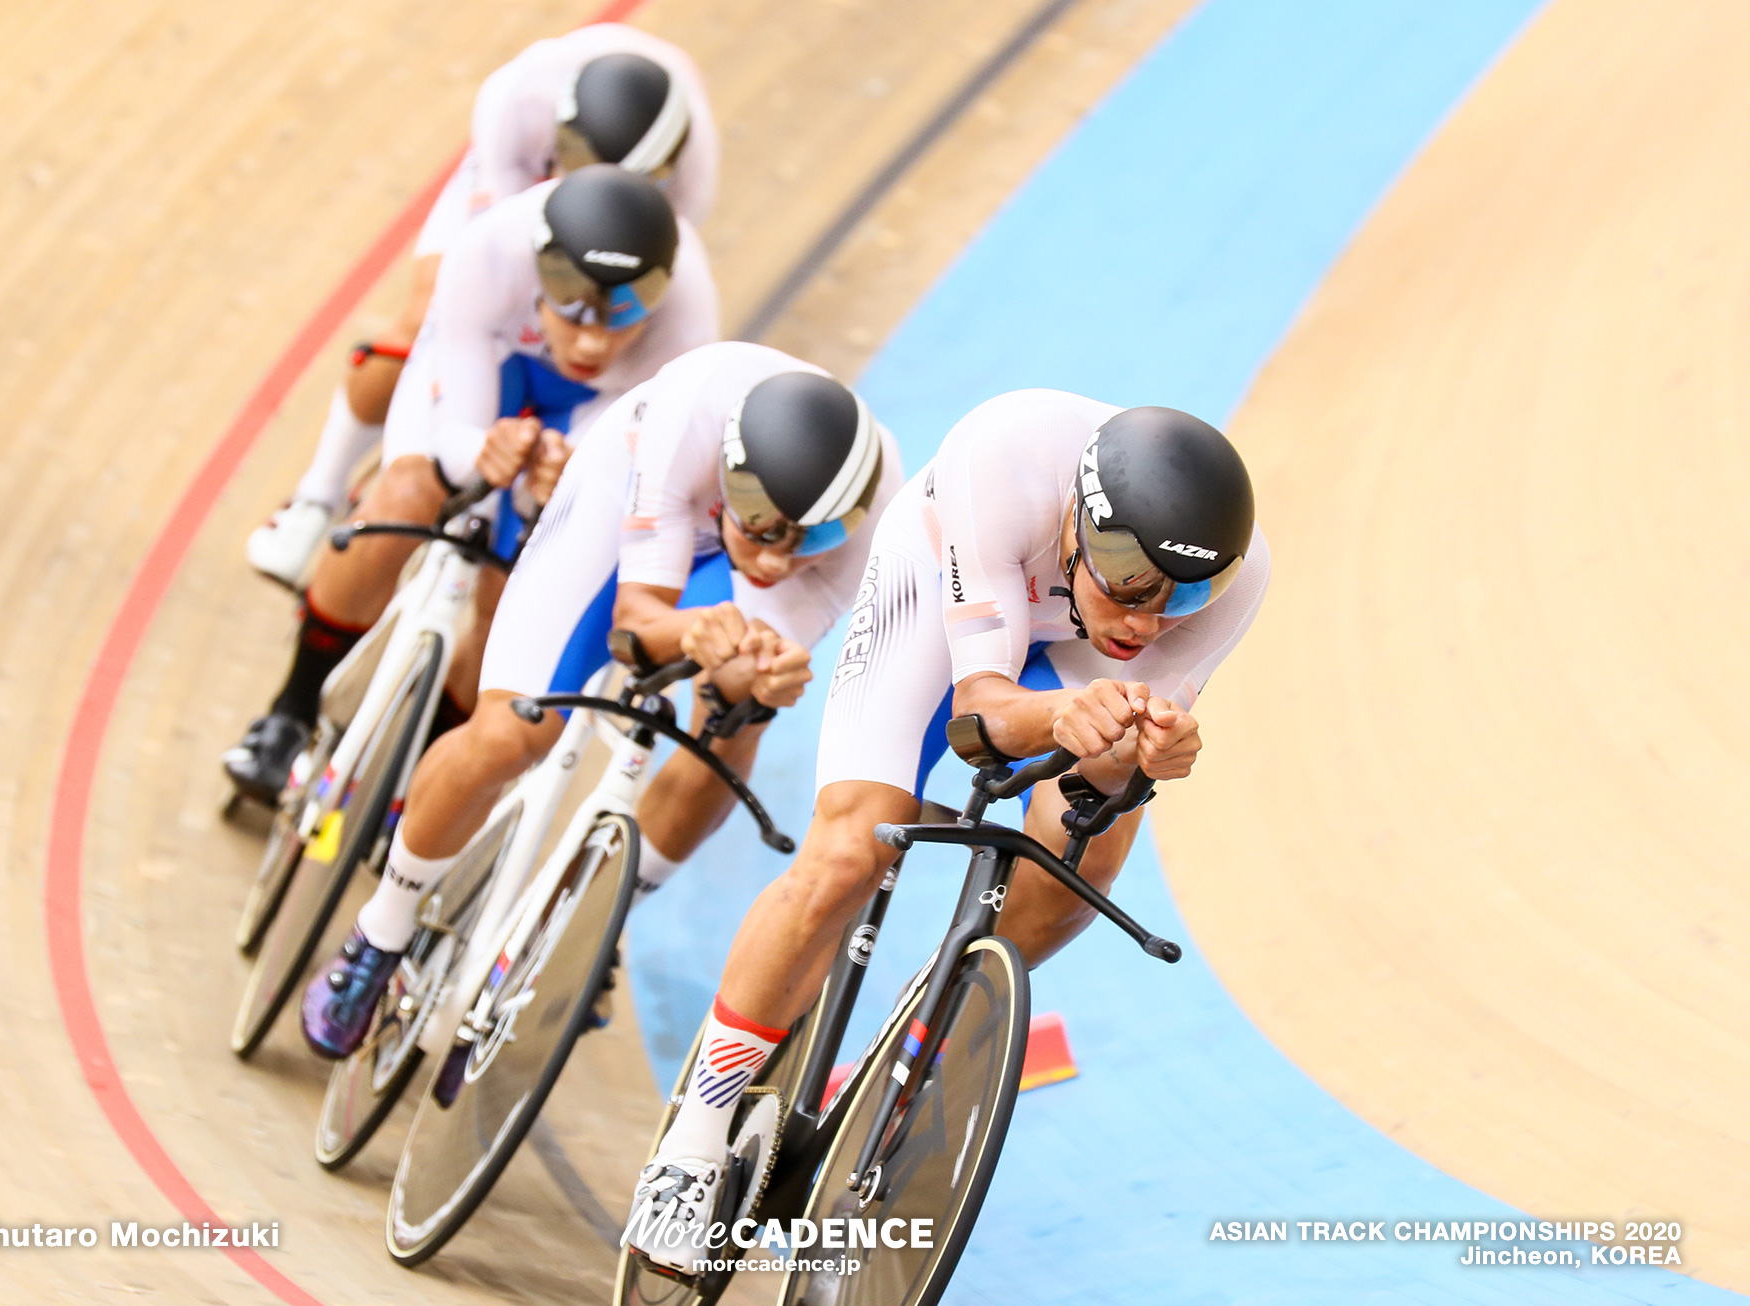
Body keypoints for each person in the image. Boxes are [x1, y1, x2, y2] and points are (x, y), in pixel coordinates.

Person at [620, 392, 1272, 1270]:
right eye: (1134, 585)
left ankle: (915, 1024)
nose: (1149, 622)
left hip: (1071, 663)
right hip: (944, 605)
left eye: (1183, 595)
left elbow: (1102, 787)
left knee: (1079, 881)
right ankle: (692, 1143)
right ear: (1080, 528)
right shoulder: (1003, 461)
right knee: (851, 849)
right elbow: (981, 718)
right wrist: (1065, 716)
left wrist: (1151, 749)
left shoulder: (1235, 581)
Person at [297, 341, 905, 1060]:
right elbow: (635, 630)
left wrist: (755, 676)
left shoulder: (868, 521)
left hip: (721, 537)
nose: (779, 559)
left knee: (736, 726)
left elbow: (751, 654)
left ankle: (590, 922)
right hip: (624, 499)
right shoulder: (691, 417)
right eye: (766, 530)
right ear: (733, 479)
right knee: (511, 736)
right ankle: (382, 931)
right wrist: (696, 631)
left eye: (815, 536)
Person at [222, 165, 717, 803]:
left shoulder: (689, 322)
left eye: (622, 316)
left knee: (515, 589)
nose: (594, 339)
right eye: (573, 309)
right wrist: (479, 454)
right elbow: (453, 421)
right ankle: (288, 714)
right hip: (491, 366)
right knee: (405, 493)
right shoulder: (489, 251)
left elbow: (624, 464)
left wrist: (553, 484)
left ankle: (423, 777)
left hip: (602, 409)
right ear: (541, 269)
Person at [246, 25, 719, 588]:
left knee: (585, 320)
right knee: (433, 313)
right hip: (516, 188)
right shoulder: (518, 104)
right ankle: (313, 497)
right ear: (561, 142)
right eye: (578, 167)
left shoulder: (689, 185)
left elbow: (640, 271)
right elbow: (504, 247)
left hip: (616, 232)